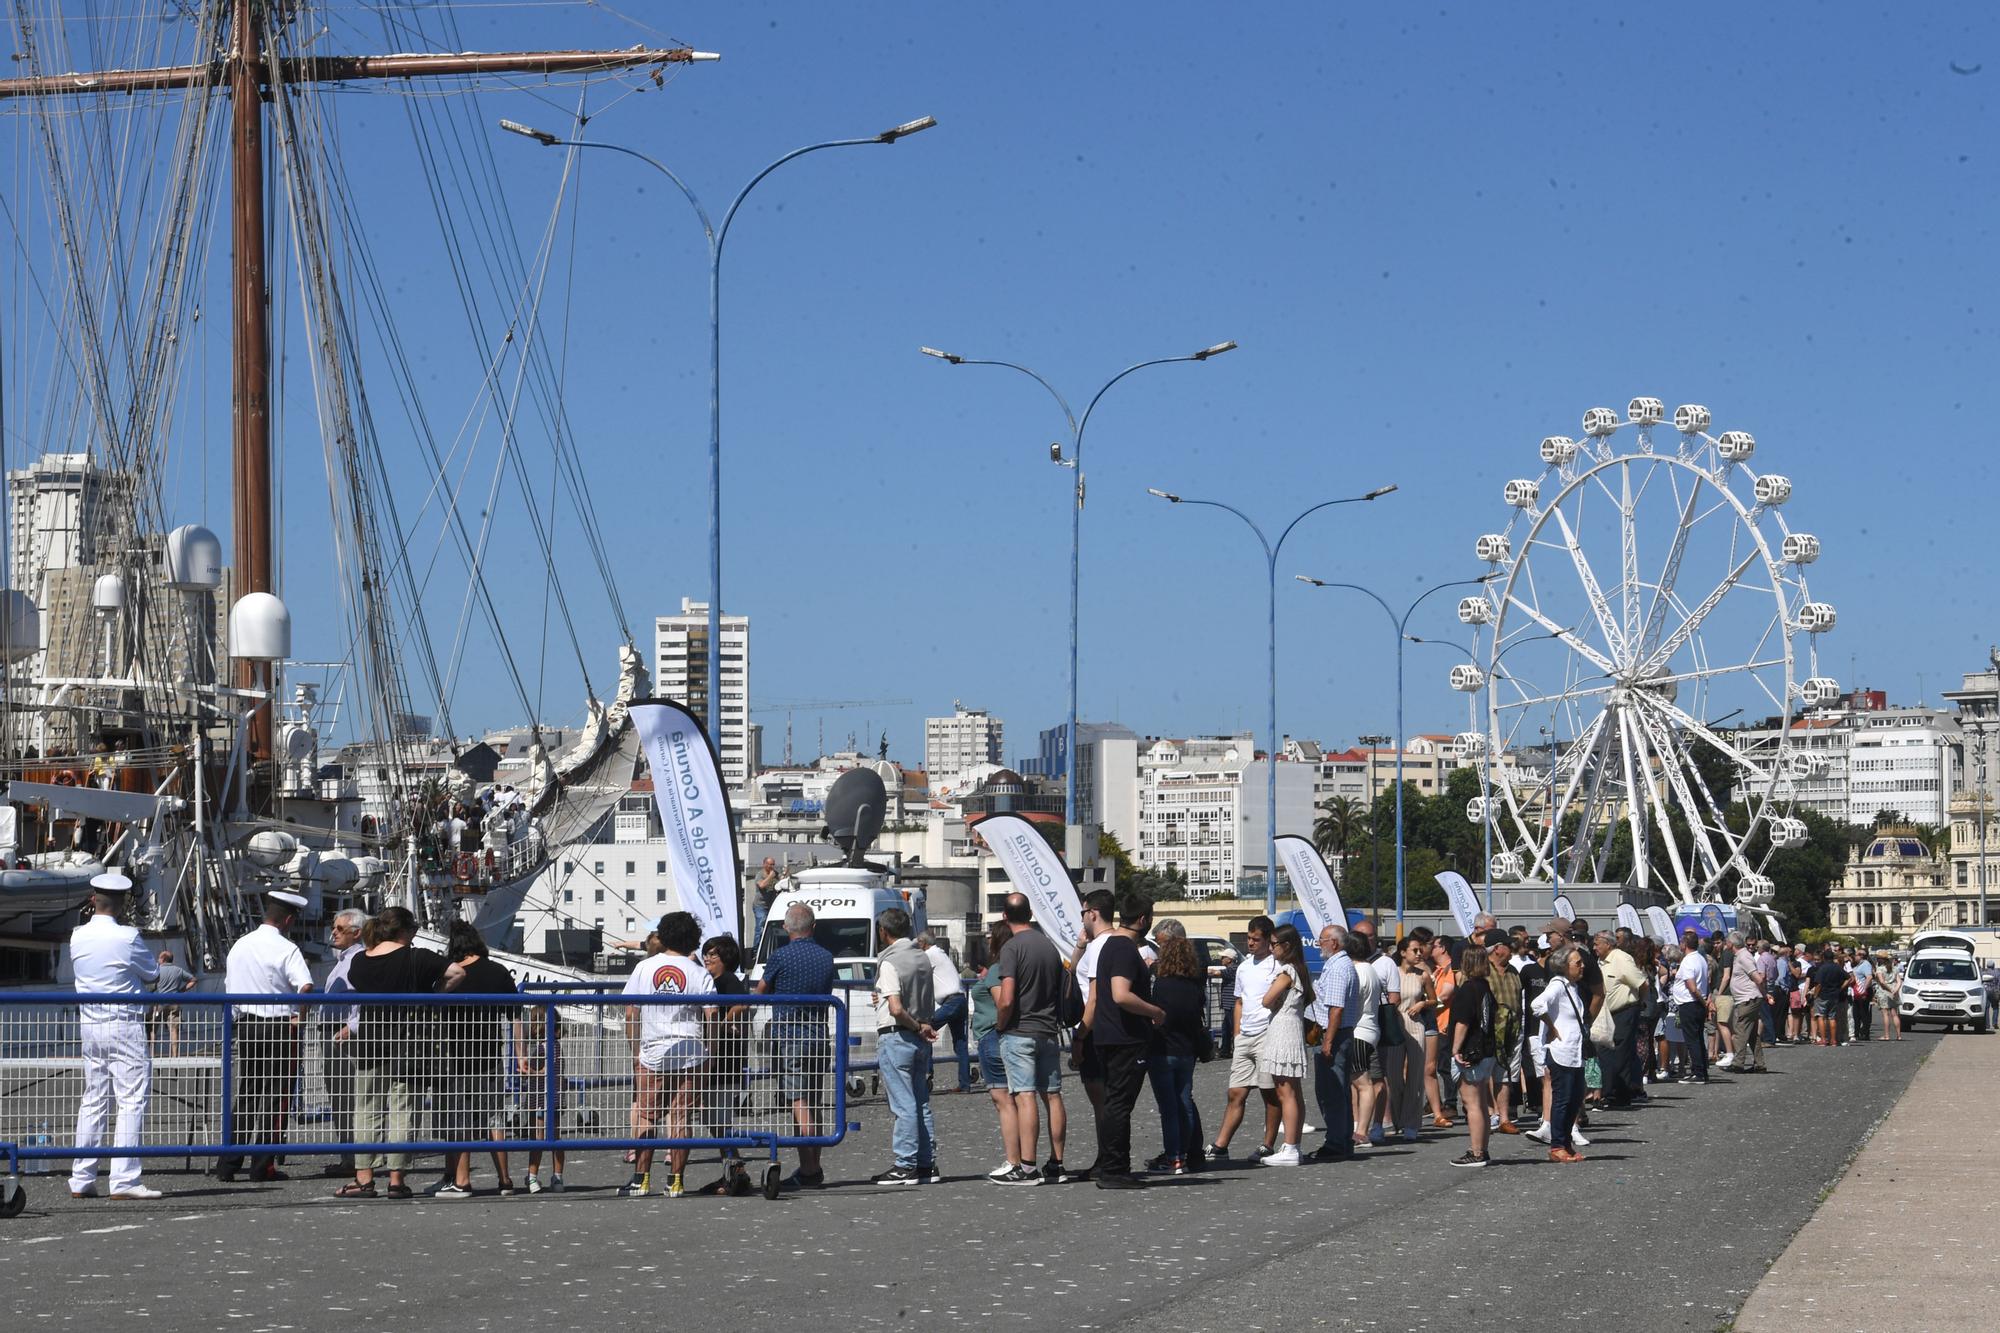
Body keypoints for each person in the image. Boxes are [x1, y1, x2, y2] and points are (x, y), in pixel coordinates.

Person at [337, 906, 463, 1199]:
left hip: (369, 1042)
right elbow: (456, 972)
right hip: (410, 1045)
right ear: (406, 931)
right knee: (403, 1111)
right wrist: (433, 996)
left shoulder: (359, 961)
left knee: (366, 1109)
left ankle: (364, 1178)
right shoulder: (416, 956)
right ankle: (396, 1179)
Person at [67, 871, 162, 1200]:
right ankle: (124, 1179)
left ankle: (81, 1177)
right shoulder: (128, 937)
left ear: (94, 900)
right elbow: (151, 974)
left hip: (90, 1026)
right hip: (124, 1023)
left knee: (94, 1099)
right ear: (121, 904)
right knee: (131, 1099)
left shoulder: (77, 936)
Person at [218, 889, 314, 1183]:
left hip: (247, 1025)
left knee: (247, 1093)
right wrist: (300, 1017)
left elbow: (229, 985)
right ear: (287, 919)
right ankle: (263, 1165)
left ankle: (229, 1162)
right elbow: (305, 986)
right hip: (280, 1025)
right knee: (278, 1096)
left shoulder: (240, 946)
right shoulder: (287, 949)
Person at [620, 911, 714, 1198]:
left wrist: (635, 1051)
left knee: (648, 1117)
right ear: (693, 939)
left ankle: (641, 1178)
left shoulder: (645, 968)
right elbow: (712, 1017)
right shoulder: (699, 972)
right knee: (680, 1118)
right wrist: (711, 1054)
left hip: (653, 1051)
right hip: (692, 1052)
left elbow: (630, 1013)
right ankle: (676, 1180)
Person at [433, 922, 519, 1198]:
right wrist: (522, 1054)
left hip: (457, 1056)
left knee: (460, 1120)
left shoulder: (452, 974)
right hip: (491, 1054)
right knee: (495, 1119)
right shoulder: (497, 971)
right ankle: (505, 1180)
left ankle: (461, 1181)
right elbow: (515, 1015)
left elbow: (434, 1008)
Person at [1085, 891, 1164, 1188]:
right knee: (1119, 1103)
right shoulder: (1123, 948)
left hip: (1109, 1035)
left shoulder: (1109, 945)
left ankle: (1112, 1165)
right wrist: (1155, 1011)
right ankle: (1114, 1169)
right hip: (1125, 1037)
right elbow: (1121, 994)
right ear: (1143, 920)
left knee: (1114, 1102)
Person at [758, 903, 839, 1189]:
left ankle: (809, 1169)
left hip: (790, 1036)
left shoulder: (779, 956)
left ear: (785, 927)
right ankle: (812, 1165)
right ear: (812, 927)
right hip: (818, 1034)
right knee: (813, 1100)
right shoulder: (826, 957)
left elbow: (761, 992)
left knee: (798, 1101)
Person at [991, 893, 1070, 1185]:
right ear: (1031, 913)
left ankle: (1026, 1167)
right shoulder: (1048, 947)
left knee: (1024, 1096)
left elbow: (1007, 999)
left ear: (1004, 916)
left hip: (1020, 1031)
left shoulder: (1011, 948)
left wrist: (1001, 1025)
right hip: (1049, 1030)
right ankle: (1057, 1164)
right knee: (1053, 1094)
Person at [872, 906, 939, 1185]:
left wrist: (911, 1023)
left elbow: (897, 1008)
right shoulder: (921, 956)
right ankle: (927, 1164)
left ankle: (905, 1163)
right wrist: (921, 1025)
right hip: (921, 1036)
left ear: (883, 932)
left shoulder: (889, 962)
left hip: (898, 1034)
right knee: (920, 1101)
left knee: (903, 1103)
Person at [1210, 916, 1281, 1160]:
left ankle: (1267, 1144)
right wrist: (1237, 1034)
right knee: (1235, 1092)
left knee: (1269, 1092)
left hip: (1267, 1034)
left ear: (1268, 940)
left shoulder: (1276, 965)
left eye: (1256, 939)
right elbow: (1239, 1001)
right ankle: (1221, 1145)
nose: (1250, 943)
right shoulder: (1244, 965)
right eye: (1248, 938)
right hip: (1246, 1036)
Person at [695, 934, 754, 1196]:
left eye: (713, 954)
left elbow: (742, 1003)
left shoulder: (727, 980)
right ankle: (732, 1170)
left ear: (726, 959)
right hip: (719, 1061)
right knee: (715, 1119)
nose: (707, 958)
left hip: (724, 1061)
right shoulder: (713, 982)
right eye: (706, 953)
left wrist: (722, 1022)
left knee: (718, 1119)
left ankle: (736, 1171)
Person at [1147, 933, 1208, 1175]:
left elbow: (1157, 1018)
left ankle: (1174, 1157)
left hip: (1163, 1049)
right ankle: (1185, 1153)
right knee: (1185, 1103)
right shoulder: (1194, 987)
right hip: (1187, 1051)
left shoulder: (1161, 985)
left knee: (1168, 1108)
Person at [1256, 923, 1313, 1168]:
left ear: (1286, 946)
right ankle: (1292, 1145)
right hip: (1292, 1027)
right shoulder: (1301, 969)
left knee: (1285, 1091)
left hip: (1283, 1029)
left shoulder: (1287, 971)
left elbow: (1267, 1000)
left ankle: (1290, 1147)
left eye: (1274, 944)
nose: (1271, 948)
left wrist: (1273, 991)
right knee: (1293, 1091)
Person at [968, 920, 1019, 1181]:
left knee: (1004, 1101)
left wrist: (996, 1027)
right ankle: (1020, 1159)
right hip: (1001, 1035)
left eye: (990, 937)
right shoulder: (1006, 966)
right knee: (1015, 1100)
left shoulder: (998, 968)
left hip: (992, 1035)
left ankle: (1014, 1160)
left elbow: (1002, 1002)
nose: (987, 941)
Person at [1532, 943, 1590, 1163]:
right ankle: (1557, 1145)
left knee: (1575, 1100)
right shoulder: (1557, 985)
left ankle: (1565, 1143)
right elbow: (1537, 1005)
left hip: (1574, 1053)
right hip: (1561, 1052)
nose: (1582, 966)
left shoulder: (1571, 986)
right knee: (1563, 1100)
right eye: (1578, 963)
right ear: (1565, 966)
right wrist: (1551, 1028)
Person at [319, 909, 366, 1178]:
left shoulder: (357, 960)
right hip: (333, 1033)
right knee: (340, 1097)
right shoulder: (344, 960)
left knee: (347, 1097)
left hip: (342, 1036)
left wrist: (353, 1026)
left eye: (339, 928)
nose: (333, 932)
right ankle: (349, 1154)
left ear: (356, 932)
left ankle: (353, 1157)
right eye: (334, 927)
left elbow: (363, 995)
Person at [1350, 917, 1403, 1144]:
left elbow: (1394, 997)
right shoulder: (1356, 966)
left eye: (1369, 936)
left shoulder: (1384, 963)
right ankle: (1358, 1124)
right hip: (1363, 1027)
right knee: (1358, 1079)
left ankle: (1378, 1124)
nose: (1366, 941)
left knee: (1376, 1078)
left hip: (1375, 1024)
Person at [1307, 921, 1356, 1162]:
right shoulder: (1341, 964)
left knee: (1331, 1091)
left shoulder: (1337, 968)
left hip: (1334, 1034)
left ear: (1334, 943)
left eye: (1322, 940)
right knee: (1339, 1090)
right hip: (1340, 1034)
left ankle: (1336, 1141)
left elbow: (1335, 1009)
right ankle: (1343, 1140)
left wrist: (1327, 1042)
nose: (1318, 945)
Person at [1448, 943, 1499, 1167]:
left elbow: (1462, 1022)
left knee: (1472, 1104)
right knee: (1481, 1102)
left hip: (1471, 1051)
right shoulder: (1485, 986)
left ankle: (1477, 1152)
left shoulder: (1468, 988)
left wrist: (1455, 1048)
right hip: (1486, 1050)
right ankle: (1481, 1148)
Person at [1593, 931, 1647, 1107]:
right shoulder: (1600, 961)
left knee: (1621, 1054)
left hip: (1624, 1011)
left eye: (1597, 944)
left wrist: (1640, 1004)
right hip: (1606, 1014)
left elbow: (1642, 984)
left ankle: (1620, 1096)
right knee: (1605, 1052)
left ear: (1608, 944)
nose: (1594, 947)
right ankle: (1609, 1093)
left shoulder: (1622, 958)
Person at [1386, 936, 1430, 1142]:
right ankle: (1396, 1118)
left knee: (1415, 1075)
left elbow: (1434, 999)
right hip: (1395, 1024)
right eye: (1415, 950)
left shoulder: (1423, 975)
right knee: (1393, 1075)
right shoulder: (1392, 972)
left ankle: (1412, 1122)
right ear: (1403, 952)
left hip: (1415, 1024)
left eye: (1420, 950)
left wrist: (1422, 1004)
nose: (1419, 953)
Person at [1345, 929, 1385, 1151]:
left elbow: (1351, 1000)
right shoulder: (1370, 969)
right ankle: (1360, 1129)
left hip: (1360, 1030)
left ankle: (1362, 1132)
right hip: (1370, 1029)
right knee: (1360, 1082)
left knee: (1363, 1082)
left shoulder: (1358, 971)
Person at [919, 933, 972, 1093]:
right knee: (960, 1043)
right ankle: (965, 1084)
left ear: (923, 943)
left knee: (925, 1030)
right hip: (960, 999)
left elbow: (917, 972)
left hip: (951, 1001)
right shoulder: (940, 953)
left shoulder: (930, 955)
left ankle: (927, 1074)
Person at [1483, 930, 1524, 1135]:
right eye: (1508, 945)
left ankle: (1504, 1117)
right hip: (1488, 1031)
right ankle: (1490, 1114)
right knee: (1486, 1073)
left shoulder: (1514, 971)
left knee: (1506, 1074)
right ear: (1497, 948)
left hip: (1512, 1030)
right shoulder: (1482, 970)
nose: (1512, 949)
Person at [1671, 931, 1712, 1083]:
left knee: (1692, 1039)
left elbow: (1692, 987)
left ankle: (1698, 1073)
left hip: (1690, 1003)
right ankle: (1702, 1070)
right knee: (1698, 1037)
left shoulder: (1688, 961)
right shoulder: (1700, 959)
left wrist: (1703, 1002)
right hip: (1696, 1003)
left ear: (1684, 944)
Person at [1726, 931, 1768, 1074]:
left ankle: (1738, 1063)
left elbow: (1757, 978)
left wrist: (1763, 992)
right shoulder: (1740, 955)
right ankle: (1759, 1064)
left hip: (1747, 999)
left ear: (1731, 944)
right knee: (1751, 1033)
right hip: (1748, 998)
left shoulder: (1743, 956)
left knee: (1741, 1030)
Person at [149, 949, 194, 1058]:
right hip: (174, 1003)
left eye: (159, 958)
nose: (157, 960)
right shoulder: (178, 970)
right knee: (174, 1030)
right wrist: (182, 990)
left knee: (153, 1029)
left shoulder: (157, 970)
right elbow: (193, 980)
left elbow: (151, 987)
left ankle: (151, 1054)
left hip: (159, 1004)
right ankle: (174, 1056)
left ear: (163, 959)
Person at [1807, 945, 1845, 1048]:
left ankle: (1823, 1039)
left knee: (1821, 1016)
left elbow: (1818, 984)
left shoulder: (1822, 968)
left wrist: (1815, 995)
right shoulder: (1837, 967)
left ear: (1823, 958)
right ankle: (1833, 1040)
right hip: (1834, 995)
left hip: (1823, 995)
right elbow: (1848, 978)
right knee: (1832, 1017)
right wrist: (1840, 988)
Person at [751, 856, 781, 945]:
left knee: (772, 928)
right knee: (760, 928)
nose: (771, 866)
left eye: (773, 864)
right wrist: (770, 877)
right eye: (769, 864)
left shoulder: (775, 873)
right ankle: (755, 950)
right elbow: (762, 885)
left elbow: (781, 881)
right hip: (760, 905)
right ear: (764, 864)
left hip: (771, 905)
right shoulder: (760, 874)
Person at [1847, 949, 1876, 1043]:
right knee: (1856, 1012)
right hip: (1856, 992)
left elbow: (1869, 977)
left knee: (1863, 1012)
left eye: (1855, 955)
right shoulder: (1858, 965)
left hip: (1863, 992)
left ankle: (1865, 1033)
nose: (1854, 957)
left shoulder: (1866, 964)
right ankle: (1857, 1032)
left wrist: (1864, 989)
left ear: (1861, 956)